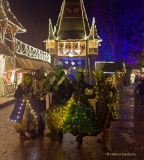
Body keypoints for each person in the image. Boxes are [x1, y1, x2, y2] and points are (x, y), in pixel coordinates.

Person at [64, 69, 100, 143]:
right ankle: (78, 133)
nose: (77, 77)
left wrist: (86, 95)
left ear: (82, 76)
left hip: (83, 104)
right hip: (75, 104)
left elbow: (93, 93)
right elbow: (68, 91)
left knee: (82, 119)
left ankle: (80, 134)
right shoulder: (72, 83)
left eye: (79, 75)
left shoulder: (85, 84)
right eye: (77, 75)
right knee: (75, 120)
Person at [93, 71, 119, 152]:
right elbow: (95, 94)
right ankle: (103, 138)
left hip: (107, 107)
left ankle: (107, 143)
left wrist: (112, 100)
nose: (97, 78)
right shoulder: (97, 84)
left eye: (98, 76)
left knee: (107, 124)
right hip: (100, 107)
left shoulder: (109, 84)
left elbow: (115, 92)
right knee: (102, 123)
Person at [46, 65, 72, 140]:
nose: (57, 70)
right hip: (54, 101)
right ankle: (54, 132)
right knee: (53, 117)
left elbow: (69, 91)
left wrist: (66, 98)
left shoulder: (65, 80)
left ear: (61, 70)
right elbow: (50, 89)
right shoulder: (53, 79)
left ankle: (60, 133)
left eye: (58, 69)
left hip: (61, 100)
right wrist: (49, 87)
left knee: (60, 118)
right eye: (56, 69)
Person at [10, 73, 39, 139]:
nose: (28, 80)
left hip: (31, 105)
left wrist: (33, 96)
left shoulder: (33, 87)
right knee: (23, 119)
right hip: (22, 105)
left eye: (29, 79)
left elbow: (34, 96)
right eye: (26, 79)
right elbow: (16, 95)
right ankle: (22, 134)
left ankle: (31, 131)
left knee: (32, 118)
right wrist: (22, 96)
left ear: (31, 79)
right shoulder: (20, 86)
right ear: (24, 79)